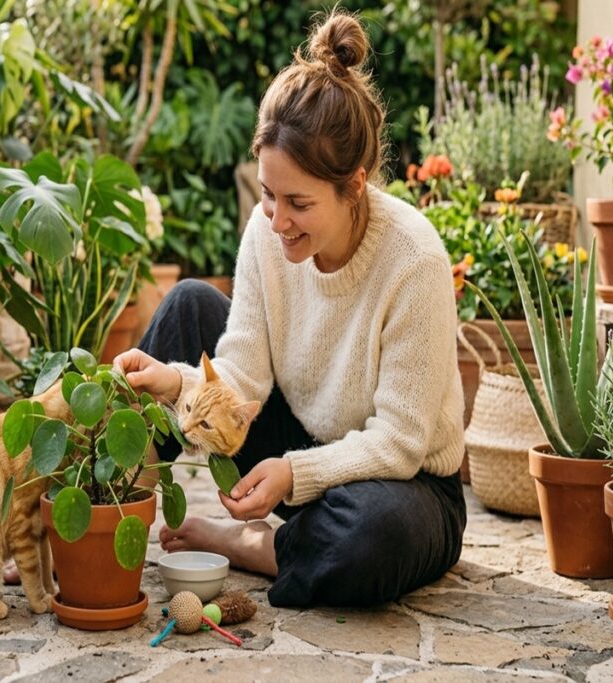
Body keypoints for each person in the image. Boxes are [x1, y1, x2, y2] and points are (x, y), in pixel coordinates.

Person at [110, 10, 467, 608]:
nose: (276, 221)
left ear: (354, 186)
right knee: (187, 306)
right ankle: (86, 522)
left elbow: (401, 443)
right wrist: (176, 384)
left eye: (298, 202)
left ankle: (257, 547)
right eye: (269, 194)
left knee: (373, 536)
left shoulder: (414, 260)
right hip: (295, 433)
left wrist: (294, 475)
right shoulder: (267, 231)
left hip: (403, 485)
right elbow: (243, 374)